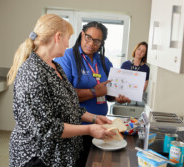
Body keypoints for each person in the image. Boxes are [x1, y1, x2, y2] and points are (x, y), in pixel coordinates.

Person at [7, 14, 115, 167]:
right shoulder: (33, 71)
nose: (68, 44)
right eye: (68, 38)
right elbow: (46, 127)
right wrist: (89, 129)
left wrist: (94, 118)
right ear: (58, 37)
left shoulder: (54, 67)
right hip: (38, 157)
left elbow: (68, 105)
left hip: (60, 155)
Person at [54, 21, 130, 165]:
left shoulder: (104, 61)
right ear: (82, 34)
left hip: (99, 125)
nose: (91, 43)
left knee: (92, 163)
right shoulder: (67, 57)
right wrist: (94, 92)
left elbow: (108, 92)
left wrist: (116, 97)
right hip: (76, 128)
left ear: (102, 43)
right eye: (88, 37)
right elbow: (63, 95)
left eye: (97, 41)